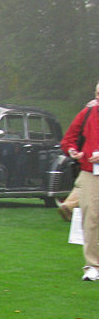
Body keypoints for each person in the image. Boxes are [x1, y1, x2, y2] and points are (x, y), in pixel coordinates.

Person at [60, 80, 99, 281]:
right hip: (90, 172)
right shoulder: (87, 113)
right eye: (98, 95)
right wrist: (73, 151)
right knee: (90, 218)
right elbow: (68, 140)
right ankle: (93, 266)